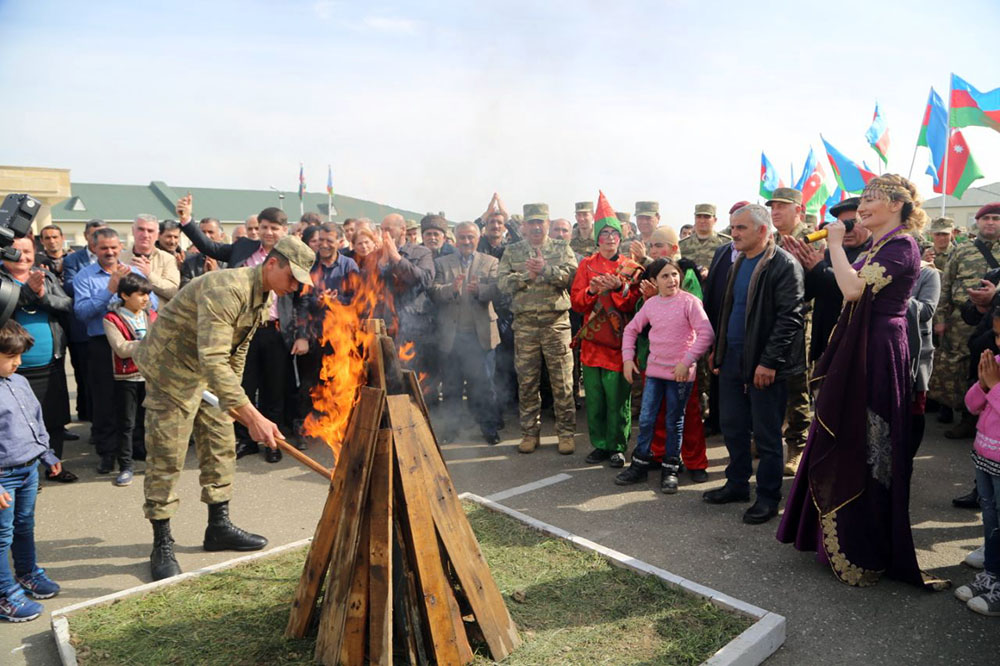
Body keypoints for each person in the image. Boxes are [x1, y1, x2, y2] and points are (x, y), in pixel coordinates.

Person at [777, 174, 944, 588]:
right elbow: (843, 284)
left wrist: (832, 244)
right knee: (846, 433)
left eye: (872, 199)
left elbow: (852, 290)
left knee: (870, 441)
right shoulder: (877, 244)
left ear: (897, 205)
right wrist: (827, 257)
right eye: (864, 199)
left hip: (879, 350)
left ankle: (866, 544)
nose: (863, 206)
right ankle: (833, 538)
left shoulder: (903, 245)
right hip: (863, 343)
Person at [134, 235, 315, 581]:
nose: (294, 287)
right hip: (171, 371)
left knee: (221, 446)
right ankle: (162, 542)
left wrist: (237, 406)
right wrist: (252, 416)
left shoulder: (263, 295)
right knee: (167, 455)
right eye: (292, 277)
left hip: (208, 374)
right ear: (272, 262)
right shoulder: (227, 288)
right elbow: (214, 359)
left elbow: (237, 353)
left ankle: (218, 527)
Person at [704, 203, 804, 525]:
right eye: (733, 228)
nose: (734, 233)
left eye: (741, 228)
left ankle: (768, 497)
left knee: (767, 435)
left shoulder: (784, 265)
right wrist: (718, 351)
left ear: (762, 230)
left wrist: (769, 362)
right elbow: (727, 310)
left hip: (764, 366)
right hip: (732, 359)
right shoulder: (738, 262)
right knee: (733, 427)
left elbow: (790, 319)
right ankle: (736, 485)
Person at [177, 197, 292, 463]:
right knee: (244, 385)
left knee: (274, 388)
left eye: (275, 227)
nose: (268, 232)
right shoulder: (243, 249)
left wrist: (300, 335)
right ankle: (246, 438)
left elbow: (302, 298)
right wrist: (186, 220)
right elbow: (209, 246)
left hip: (275, 331)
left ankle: (273, 443)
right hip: (242, 332)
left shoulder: (292, 257)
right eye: (264, 227)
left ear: (284, 231)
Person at [618, 257, 714, 492]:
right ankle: (639, 464)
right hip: (654, 373)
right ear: (653, 281)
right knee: (648, 418)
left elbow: (706, 334)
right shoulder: (651, 305)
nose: (671, 280)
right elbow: (631, 330)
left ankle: (671, 468)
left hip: (680, 375)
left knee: (675, 421)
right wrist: (627, 359)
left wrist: (686, 362)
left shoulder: (690, 302)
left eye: (674, 274)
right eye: (664, 276)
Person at [72, 228, 158, 473]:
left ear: (121, 247)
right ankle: (108, 452)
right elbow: (82, 313)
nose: (109, 252)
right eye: (103, 248)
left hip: (136, 341)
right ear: (94, 248)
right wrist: (109, 290)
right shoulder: (85, 277)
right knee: (105, 401)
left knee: (137, 399)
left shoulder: (135, 271)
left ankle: (136, 447)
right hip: (102, 344)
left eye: (113, 247)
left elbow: (151, 304)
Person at [498, 203, 578, 455]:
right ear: (523, 226)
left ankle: (565, 433)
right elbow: (501, 283)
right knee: (527, 382)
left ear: (547, 223)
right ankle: (529, 433)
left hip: (556, 323)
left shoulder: (562, 248)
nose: (535, 227)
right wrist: (525, 277)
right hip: (525, 325)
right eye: (531, 222)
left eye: (540, 222)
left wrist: (546, 270)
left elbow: (572, 277)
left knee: (562, 382)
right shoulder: (512, 251)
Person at [0, 320, 63, 622]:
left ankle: (27, 574)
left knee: (24, 526)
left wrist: (47, 454)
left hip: (28, 470)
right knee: (2, 535)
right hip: (2, 477)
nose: (18, 363)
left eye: (20, 356)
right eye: (10, 357)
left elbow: (35, 422)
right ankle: (5, 595)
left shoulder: (20, 382)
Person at [1, 238, 76, 483]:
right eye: (16, 251)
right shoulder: (2, 280)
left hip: (50, 361)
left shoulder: (47, 276)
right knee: (18, 422)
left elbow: (66, 304)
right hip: (13, 369)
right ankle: (25, 473)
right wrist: (26, 293)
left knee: (53, 418)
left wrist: (42, 295)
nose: (22, 257)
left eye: (28, 251)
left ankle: (55, 466)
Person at [570, 207, 640, 460]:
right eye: (605, 233)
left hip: (618, 342)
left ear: (620, 238)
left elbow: (633, 304)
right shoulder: (587, 266)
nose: (610, 238)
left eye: (614, 233)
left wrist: (620, 286)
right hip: (592, 342)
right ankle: (600, 444)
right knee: (595, 398)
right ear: (597, 238)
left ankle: (618, 446)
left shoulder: (630, 267)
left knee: (617, 398)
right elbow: (577, 302)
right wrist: (591, 291)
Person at [429, 222, 503, 445]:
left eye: (470, 237)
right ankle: (451, 429)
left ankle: (489, 428)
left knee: (484, 384)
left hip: (480, 335)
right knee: (451, 385)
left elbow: (498, 289)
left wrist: (480, 290)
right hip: (452, 336)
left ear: (478, 237)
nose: (466, 241)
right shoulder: (441, 263)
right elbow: (433, 290)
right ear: (455, 239)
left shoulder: (490, 262)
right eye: (462, 238)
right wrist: (451, 288)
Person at [931, 203, 1000, 438]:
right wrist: (940, 319)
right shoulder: (962, 250)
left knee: (993, 366)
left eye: (996, 218)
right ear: (978, 222)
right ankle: (967, 417)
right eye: (986, 218)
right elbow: (946, 286)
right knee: (961, 368)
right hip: (963, 319)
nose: (991, 222)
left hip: (996, 319)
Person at [291, 223, 359, 442]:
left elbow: (359, 300)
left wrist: (336, 300)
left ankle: (337, 426)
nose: (324, 245)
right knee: (309, 384)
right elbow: (301, 302)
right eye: (320, 240)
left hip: (341, 335)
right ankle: (304, 429)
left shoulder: (349, 265)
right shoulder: (309, 266)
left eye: (329, 240)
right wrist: (317, 303)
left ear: (340, 242)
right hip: (314, 334)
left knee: (339, 382)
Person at [766, 187, 813, 480]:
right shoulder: (771, 240)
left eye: (783, 206)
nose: (776, 211)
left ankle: (798, 445)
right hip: (773, 320)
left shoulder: (811, 237)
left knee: (798, 384)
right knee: (771, 381)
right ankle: (769, 439)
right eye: (773, 206)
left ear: (799, 210)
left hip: (802, 320)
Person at [955, 323, 1000, 615]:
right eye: (998, 336)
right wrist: (983, 385)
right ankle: (992, 575)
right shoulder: (996, 365)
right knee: (990, 518)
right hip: (985, 457)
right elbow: (971, 406)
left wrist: (995, 387)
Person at [102, 273, 156, 488]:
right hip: (126, 377)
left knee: (149, 421)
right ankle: (126, 465)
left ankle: (151, 462)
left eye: (147, 294)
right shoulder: (111, 318)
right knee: (126, 423)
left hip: (149, 376)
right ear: (124, 295)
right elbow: (121, 348)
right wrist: (149, 343)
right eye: (140, 294)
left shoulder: (151, 315)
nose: (145, 299)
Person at [62, 219, 107, 423]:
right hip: (84, 329)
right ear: (88, 236)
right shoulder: (75, 261)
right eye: (94, 234)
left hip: (115, 335)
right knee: (87, 379)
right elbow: (70, 287)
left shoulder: (124, 266)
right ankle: (90, 419)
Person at [122, 214, 181, 303]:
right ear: (133, 231)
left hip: (158, 315)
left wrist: (149, 275)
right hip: (125, 315)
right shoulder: (120, 258)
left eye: (150, 231)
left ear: (157, 235)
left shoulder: (168, 259)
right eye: (141, 229)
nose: (145, 235)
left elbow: (173, 292)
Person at [678, 203, 730, 281]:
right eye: (698, 217)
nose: (702, 221)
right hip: (690, 289)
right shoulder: (682, 245)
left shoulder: (726, 243)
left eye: (707, 217)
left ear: (715, 220)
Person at [180, 218, 227, 286]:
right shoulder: (190, 263)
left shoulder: (232, 261)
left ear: (222, 236)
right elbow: (185, 290)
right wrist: (204, 277)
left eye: (210, 232)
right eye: (203, 232)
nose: (206, 236)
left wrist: (216, 273)